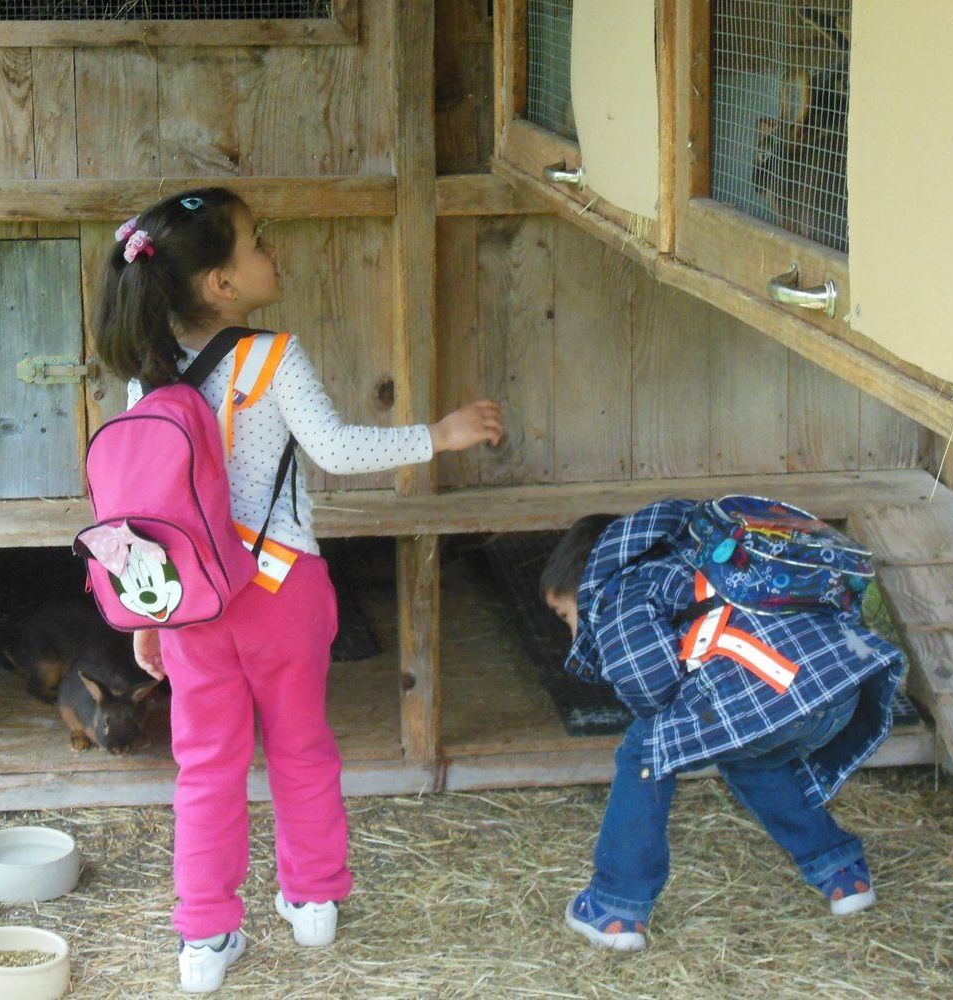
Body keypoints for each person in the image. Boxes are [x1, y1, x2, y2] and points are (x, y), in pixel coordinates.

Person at [94, 187, 503, 993]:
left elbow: (142, 510)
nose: (270, 254)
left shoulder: (146, 383)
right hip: (282, 586)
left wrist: (152, 612)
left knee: (205, 765)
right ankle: (313, 900)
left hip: (194, 598)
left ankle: (204, 939)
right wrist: (439, 435)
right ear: (221, 282)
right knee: (301, 746)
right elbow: (335, 447)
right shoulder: (272, 357)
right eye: (256, 243)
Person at [539, 502, 904, 953]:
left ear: (583, 579)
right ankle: (841, 872)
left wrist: (648, 696)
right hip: (839, 685)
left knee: (645, 750)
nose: (573, 635)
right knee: (746, 755)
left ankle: (616, 907)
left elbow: (648, 685)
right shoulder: (694, 558)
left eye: (565, 615)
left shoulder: (619, 589)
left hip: (773, 689)